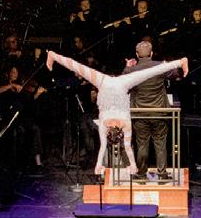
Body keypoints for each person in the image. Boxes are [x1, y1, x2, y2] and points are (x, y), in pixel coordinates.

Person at [44, 49, 188, 176]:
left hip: (119, 83)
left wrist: (132, 165)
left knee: (150, 72)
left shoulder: (125, 125)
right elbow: (103, 148)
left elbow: (127, 148)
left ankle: (180, 62)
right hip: (106, 82)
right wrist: (98, 165)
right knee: (78, 67)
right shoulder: (104, 126)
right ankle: (53, 55)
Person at [124, 41, 181, 180]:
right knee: (160, 144)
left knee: (142, 145)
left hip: (140, 114)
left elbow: (123, 84)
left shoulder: (132, 70)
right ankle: (162, 174)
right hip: (159, 113)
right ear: (151, 53)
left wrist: (128, 67)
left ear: (137, 55)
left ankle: (141, 174)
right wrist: (167, 64)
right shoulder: (159, 66)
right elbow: (176, 74)